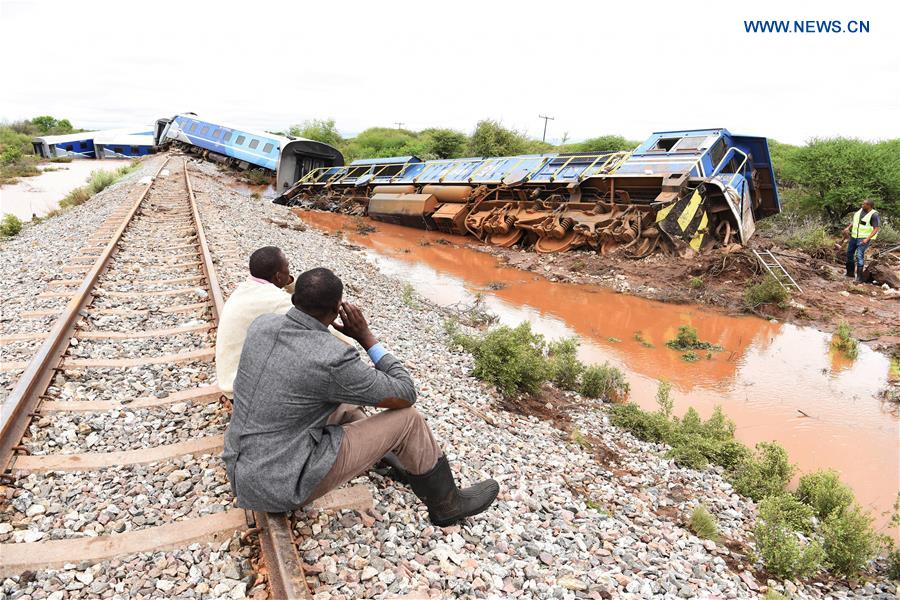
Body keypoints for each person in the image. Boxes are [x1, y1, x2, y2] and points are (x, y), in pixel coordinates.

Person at [222, 267, 499, 526]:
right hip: (281, 484)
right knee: (407, 420)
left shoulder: (262, 326)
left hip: (239, 467)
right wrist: (366, 337)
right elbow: (405, 393)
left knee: (346, 400)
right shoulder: (332, 357)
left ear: (294, 299)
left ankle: (394, 458)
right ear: (336, 310)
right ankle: (447, 505)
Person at [215, 246, 350, 398]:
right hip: (239, 389)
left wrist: (287, 280)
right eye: (287, 266)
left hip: (229, 377)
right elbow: (319, 327)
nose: (289, 270)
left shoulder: (248, 287)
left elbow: (292, 291)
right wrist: (351, 340)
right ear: (278, 277)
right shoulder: (276, 300)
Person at [843, 199, 880, 282]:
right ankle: (850, 273)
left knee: (859, 256)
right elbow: (855, 221)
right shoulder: (860, 210)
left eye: (864, 204)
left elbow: (876, 229)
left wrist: (867, 239)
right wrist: (848, 227)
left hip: (863, 238)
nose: (862, 205)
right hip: (854, 236)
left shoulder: (874, 215)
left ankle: (859, 278)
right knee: (849, 254)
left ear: (869, 206)